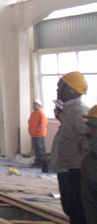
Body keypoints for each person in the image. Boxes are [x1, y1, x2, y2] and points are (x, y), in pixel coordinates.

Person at [56, 71, 89, 224]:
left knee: (77, 209)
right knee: (70, 208)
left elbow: (89, 142)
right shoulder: (70, 109)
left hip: (76, 171)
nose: (57, 90)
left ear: (70, 90)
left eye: (60, 87)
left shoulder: (80, 111)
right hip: (67, 168)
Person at [81, 104, 97, 224]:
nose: (88, 132)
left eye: (93, 127)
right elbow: (90, 207)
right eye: (88, 126)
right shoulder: (88, 162)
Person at [28, 99, 48, 168]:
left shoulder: (41, 113)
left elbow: (43, 124)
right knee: (36, 149)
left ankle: (42, 162)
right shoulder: (33, 114)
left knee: (40, 149)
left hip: (40, 134)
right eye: (34, 104)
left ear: (39, 106)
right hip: (34, 134)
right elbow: (30, 122)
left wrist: (37, 131)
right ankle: (37, 161)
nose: (35, 106)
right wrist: (31, 131)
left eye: (36, 105)